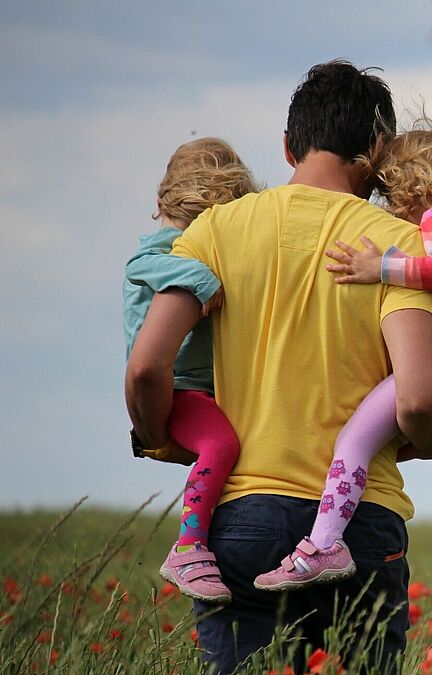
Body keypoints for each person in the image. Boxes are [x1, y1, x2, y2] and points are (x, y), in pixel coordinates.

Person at [125, 60, 432, 674]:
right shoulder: (398, 245)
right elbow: (419, 402)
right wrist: (425, 442)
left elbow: (146, 368)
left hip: (242, 516)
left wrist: (157, 434)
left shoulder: (213, 232)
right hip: (361, 524)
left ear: (287, 146)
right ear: (377, 150)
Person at [254, 123, 432, 591]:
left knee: (353, 441)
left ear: (414, 186)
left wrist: (378, 267)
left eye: (391, 195)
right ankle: (338, 522)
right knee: (377, 441)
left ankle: (323, 545)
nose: (392, 209)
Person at [124, 137, 258, 604]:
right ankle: (189, 547)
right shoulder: (165, 249)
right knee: (221, 444)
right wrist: (202, 279)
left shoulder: (186, 243)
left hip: (202, 389)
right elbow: (143, 264)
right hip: (179, 388)